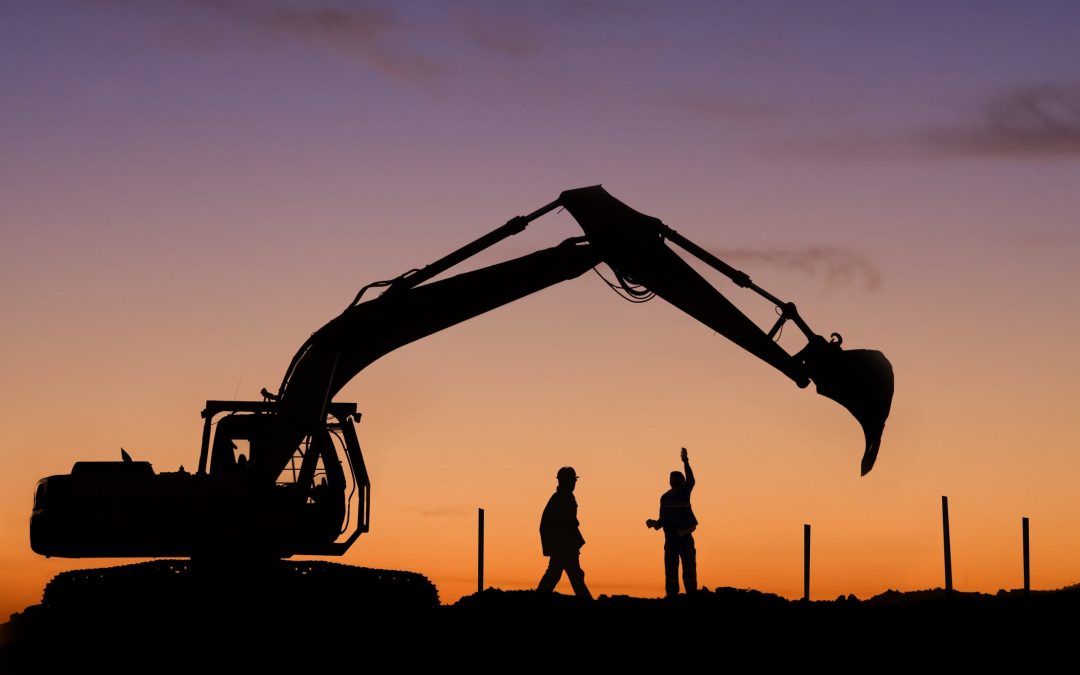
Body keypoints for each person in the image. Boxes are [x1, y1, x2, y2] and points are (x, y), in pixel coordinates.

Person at [646, 447, 698, 596]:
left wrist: (654, 524)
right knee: (675, 571)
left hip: (681, 538)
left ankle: (682, 595)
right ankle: (679, 596)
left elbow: (661, 522)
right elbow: (662, 521)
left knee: (679, 570)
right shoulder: (671, 496)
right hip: (674, 540)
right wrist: (653, 523)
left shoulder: (677, 494)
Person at [537, 466, 593, 599]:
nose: (574, 484)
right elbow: (566, 524)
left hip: (563, 546)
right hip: (565, 546)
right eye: (572, 481)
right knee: (573, 576)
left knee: (557, 574)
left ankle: (538, 598)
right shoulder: (564, 498)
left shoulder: (561, 497)